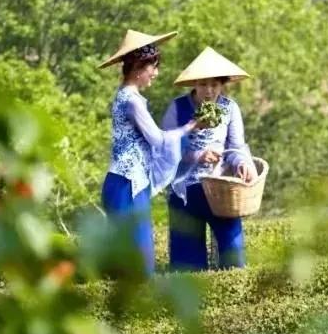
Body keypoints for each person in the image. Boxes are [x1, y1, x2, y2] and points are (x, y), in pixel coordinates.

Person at [98, 29, 198, 277]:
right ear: (138, 67)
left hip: (128, 182)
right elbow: (158, 140)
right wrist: (189, 127)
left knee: (129, 264)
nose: (156, 73)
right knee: (139, 264)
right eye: (153, 66)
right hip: (127, 184)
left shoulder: (126, 97)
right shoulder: (131, 101)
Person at [161, 47, 257, 271]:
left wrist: (242, 163)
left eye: (214, 84)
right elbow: (165, 150)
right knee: (187, 267)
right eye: (203, 84)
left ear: (222, 85)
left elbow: (235, 147)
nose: (209, 90)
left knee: (233, 257)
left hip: (220, 189)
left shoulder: (230, 109)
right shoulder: (177, 108)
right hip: (184, 190)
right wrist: (198, 155)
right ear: (195, 84)